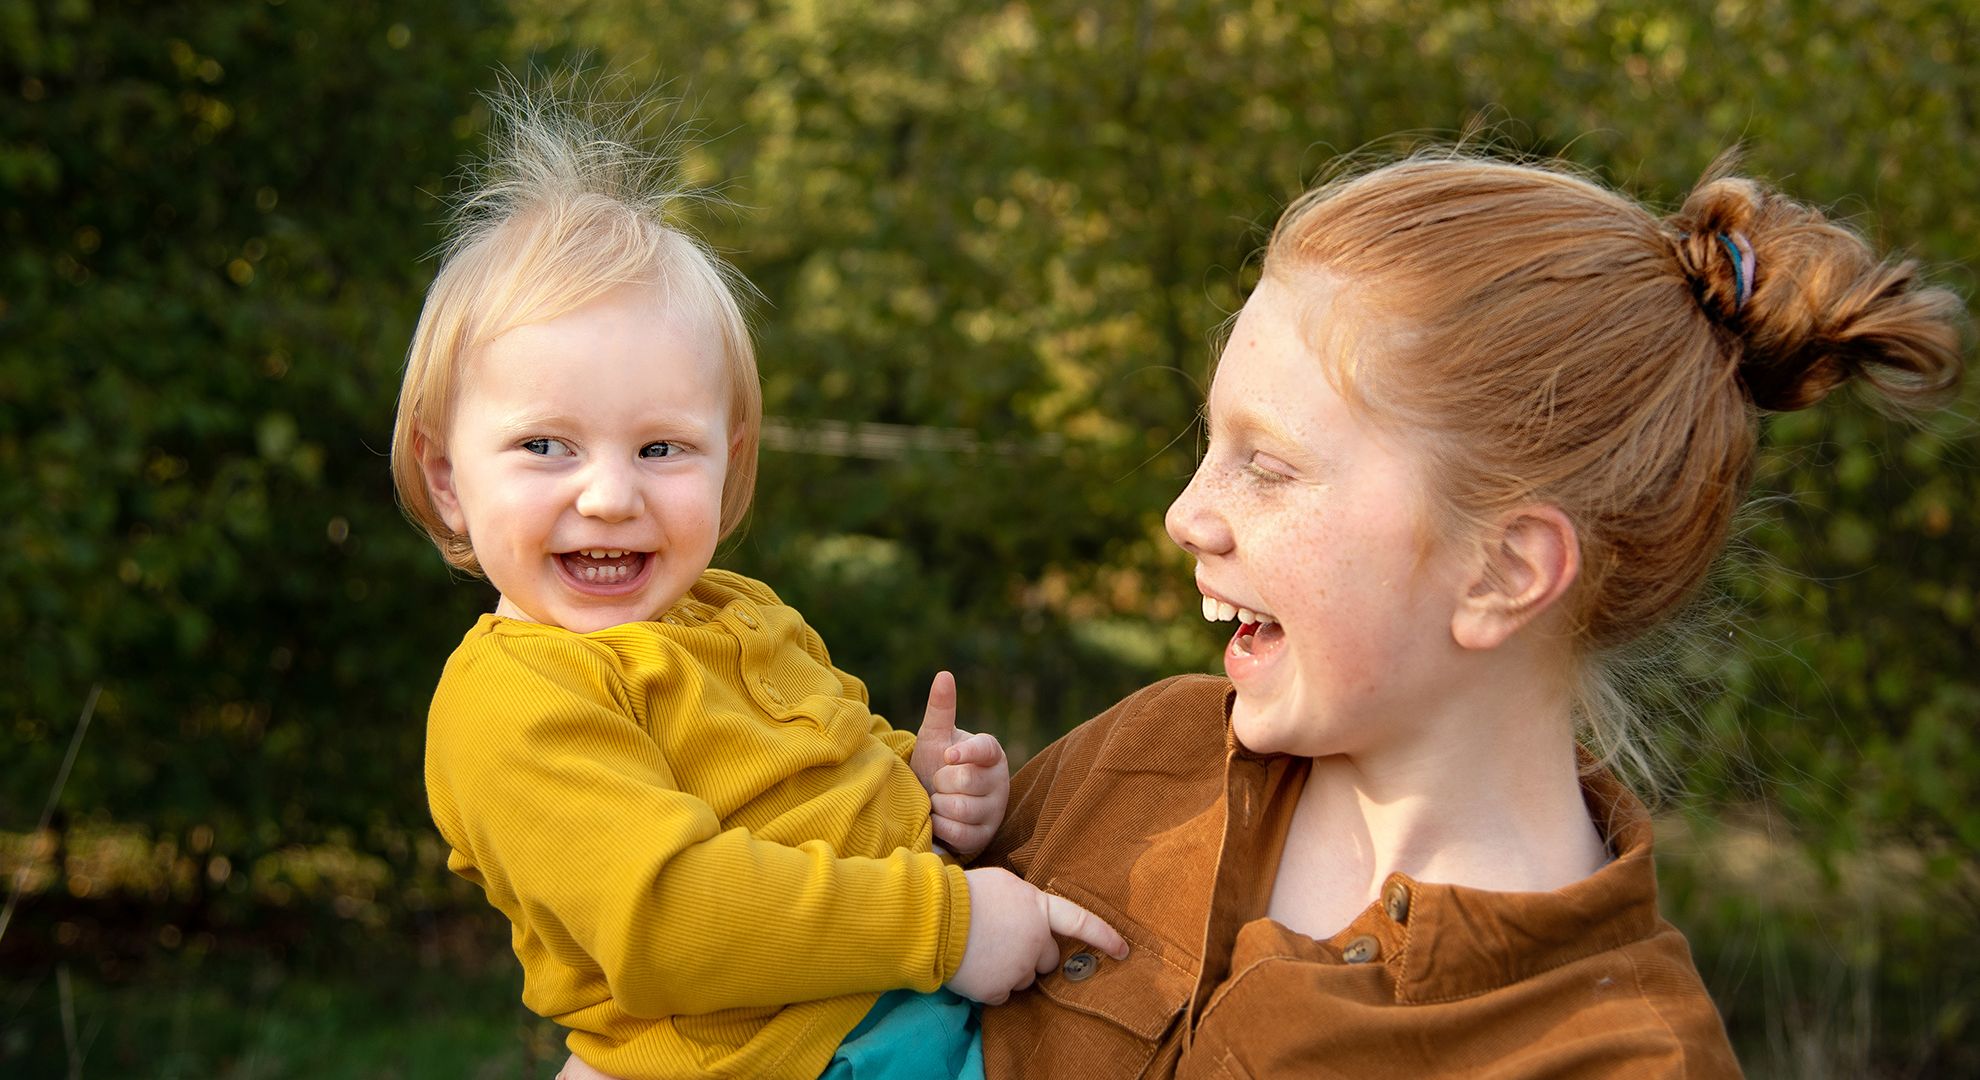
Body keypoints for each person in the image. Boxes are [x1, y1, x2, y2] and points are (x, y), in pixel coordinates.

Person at [975, 154, 1966, 1077]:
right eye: (1208, 444)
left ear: (1502, 571)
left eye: (1266, 467)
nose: (1185, 514)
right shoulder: (1137, 761)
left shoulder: (1623, 1057)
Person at [388, 87, 1125, 1080]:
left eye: (660, 447)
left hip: (902, 1014)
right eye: (544, 445)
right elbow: (673, 918)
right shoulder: (514, 701)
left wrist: (927, 794)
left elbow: (807, 802)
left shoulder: (743, 616)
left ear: (729, 466)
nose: (609, 495)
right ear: (446, 478)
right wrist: (951, 921)